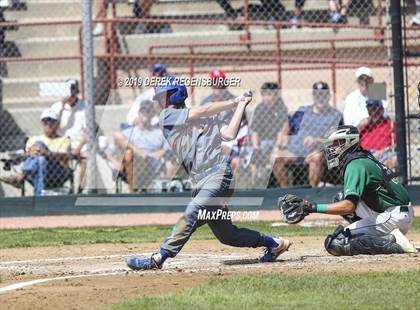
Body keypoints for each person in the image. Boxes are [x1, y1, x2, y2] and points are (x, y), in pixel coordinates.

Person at [125, 76, 291, 270]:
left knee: (192, 211)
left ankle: (158, 258)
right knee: (228, 235)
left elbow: (229, 134)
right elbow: (201, 110)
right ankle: (274, 244)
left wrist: (241, 105)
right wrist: (233, 102)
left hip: (218, 174)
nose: (161, 101)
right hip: (200, 181)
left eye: (164, 95)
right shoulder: (167, 117)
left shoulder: (203, 118)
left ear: (176, 94)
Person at [279, 125, 416, 256]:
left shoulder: (355, 164)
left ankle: (391, 241)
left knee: (335, 243)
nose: (331, 148)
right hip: (396, 212)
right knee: (339, 198)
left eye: (336, 144)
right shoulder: (362, 156)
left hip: (394, 216)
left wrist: (311, 207)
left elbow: (349, 207)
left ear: (349, 142)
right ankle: (374, 234)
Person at [272, 81, 342, 187]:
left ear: (328, 96)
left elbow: (338, 141)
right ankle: (286, 191)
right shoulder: (303, 110)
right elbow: (288, 125)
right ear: (313, 96)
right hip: (294, 152)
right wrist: (280, 144)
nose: (320, 98)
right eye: (317, 95)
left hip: (316, 152)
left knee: (317, 157)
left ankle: (312, 193)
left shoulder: (335, 115)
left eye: (323, 95)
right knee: (275, 157)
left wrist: (317, 140)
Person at [0, 109, 71, 195]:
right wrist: (30, 154)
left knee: (39, 145)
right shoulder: (32, 139)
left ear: (57, 124)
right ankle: (39, 193)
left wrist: (46, 153)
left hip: (57, 173)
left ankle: (21, 176)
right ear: (42, 123)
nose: (48, 125)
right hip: (34, 171)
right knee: (40, 159)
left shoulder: (64, 140)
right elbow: (25, 156)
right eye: (45, 122)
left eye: (51, 122)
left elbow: (64, 157)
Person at [114, 100, 168, 192]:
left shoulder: (159, 132)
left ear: (153, 114)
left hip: (150, 162)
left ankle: (133, 190)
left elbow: (165, 150)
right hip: (133, 160)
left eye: (148, 111)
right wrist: (139, 152)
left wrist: (151, 156)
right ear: (138, 113)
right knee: (128, 153)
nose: (145, 113)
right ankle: (133, 190)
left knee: (129, 154)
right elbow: (116, 135)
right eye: (143, 111)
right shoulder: (131, 131)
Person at [201, 69, 248, 172]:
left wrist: (230, 145)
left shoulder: (235, 102)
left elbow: (243, 128)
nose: (217, 85)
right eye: (214, 82)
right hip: (210, 143)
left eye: (220, 82)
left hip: (232, 142)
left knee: (236, 162)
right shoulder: (205, 103)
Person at [50, 80, 86, 193]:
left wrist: (78, 148)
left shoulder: (85, 106)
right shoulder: (56, 107)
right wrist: (61, 108)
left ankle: (80, 189)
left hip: (79, 141)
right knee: (60, 154)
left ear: (77, 92)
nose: (70, 95)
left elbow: (88, 132)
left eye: (72, 91)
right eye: (67, 91)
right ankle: (65, 185)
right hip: (61, 140)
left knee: (86, 157)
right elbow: (52, 130)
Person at [249, 82, 288, 185]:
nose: (269, 97)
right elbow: (254, 131)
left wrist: (277, 147)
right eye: (266, 94)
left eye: (273, 94)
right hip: (262, 142)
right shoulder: (259, 109)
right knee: (254, 155)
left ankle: (283, 187)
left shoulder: (281, 108)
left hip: (276, 142)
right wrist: (256, 148)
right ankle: (254, 185)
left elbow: (282, 130)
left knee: (275, 156)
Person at [359, 100, 397, 169]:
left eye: (375, 110)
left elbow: (398, 144)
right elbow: (351, 138)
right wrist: (359, 126)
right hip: (365, 154)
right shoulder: (364, 125)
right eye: (370, 111)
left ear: (382, 110)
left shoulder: (390, 124)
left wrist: (383, 151)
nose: (373, 113)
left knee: (394, 158)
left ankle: (380, 174)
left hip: (384, 154)